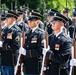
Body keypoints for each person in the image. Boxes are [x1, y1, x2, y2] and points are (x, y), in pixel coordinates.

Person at [16, 10, 46, 75]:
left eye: (31, 21)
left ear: (37, 22)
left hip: (35, 66)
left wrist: (26, 52)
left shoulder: (41, 34)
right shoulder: (27, 33)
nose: (29, 22)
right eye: (28, 21)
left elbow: (40, 50)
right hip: (27, 66)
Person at [0, 10, 22, 75]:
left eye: (8, 18)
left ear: (14, 19)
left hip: (11, 61)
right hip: (3, 60)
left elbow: (16, 45)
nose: (6, 19)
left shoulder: (16, 30)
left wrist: (2, 45)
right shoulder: (5, 29)